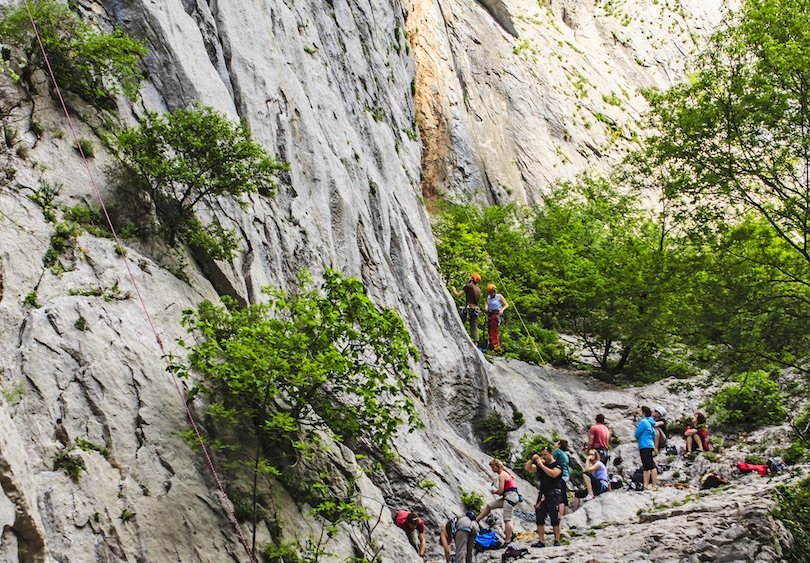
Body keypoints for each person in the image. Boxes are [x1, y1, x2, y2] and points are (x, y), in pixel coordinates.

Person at [524, 447, 564, 548]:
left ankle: (557, 540)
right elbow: (528, 468)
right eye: (543, 455)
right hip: (543, 494)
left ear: (551, 454)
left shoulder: (558, 464)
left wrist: (542, 465)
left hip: (554, 493)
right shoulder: (542, 465)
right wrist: (532, 460)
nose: (544, 457)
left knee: (554, 518)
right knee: (539, 517)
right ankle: (541, 541)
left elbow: (554, 474)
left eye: (546, 455)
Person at [476, 459, 518, 545]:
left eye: (493, 467)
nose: (492, 469)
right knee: (489, 506)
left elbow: (500, 490)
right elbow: (504, 469)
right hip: (510, 496)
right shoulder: (505, 473)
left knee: (507, 519)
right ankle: (477, 520)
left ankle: (508, 540)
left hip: (510, 497)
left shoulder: (502, 475)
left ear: (497, 466)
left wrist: (494, 491)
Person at [451, 273, 482, 344]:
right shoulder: (478, 289)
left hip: (469, 308)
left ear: (472, 279)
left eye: (470, 277)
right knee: (473, 326)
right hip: (476, 309)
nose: (468, 278)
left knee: (459, 322)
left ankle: (455, 336)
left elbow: (458, 295)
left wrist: (453, 289)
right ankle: (475, 341)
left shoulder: (468, 286)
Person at [634, 406, 658, 491]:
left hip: (644, 444)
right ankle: (647, 485)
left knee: (649, 465)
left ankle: (651, 485)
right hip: (650, 444)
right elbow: (654, 434)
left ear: (643, 412)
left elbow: (637, 434)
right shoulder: (650, 422)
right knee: (647, 465)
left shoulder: (643, 421)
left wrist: (639, 437)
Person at [484, 284, 508, 352]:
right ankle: (492, 346)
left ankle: (496, 346)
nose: (492, 293)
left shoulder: (499, 296)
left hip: (496, 313)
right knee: (489, 329)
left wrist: (502, 309)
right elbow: (486, 303)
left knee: (493, 330)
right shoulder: (488, 297)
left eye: (493, 292)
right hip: (490, 313)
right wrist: (486, 307)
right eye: (490, 292)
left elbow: (506, 304)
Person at [552, 440, 570, 521]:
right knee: (564, 494)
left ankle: (560, 515)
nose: (554, 444)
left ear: (559, 445)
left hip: (560, 475)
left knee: (560, 495)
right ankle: (566, 515)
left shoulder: (557, 452)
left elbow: (553, 462)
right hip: (566, 475)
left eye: (556, 442)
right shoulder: (565, 454)